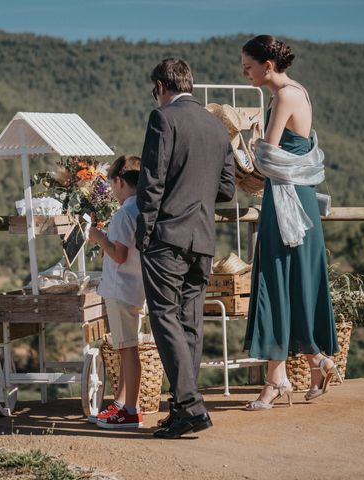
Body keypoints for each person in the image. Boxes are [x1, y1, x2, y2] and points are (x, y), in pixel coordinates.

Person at [240, 35, 342, 410]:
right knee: (291, 281)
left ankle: (276, 381)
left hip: (287, 201)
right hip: (292, 197)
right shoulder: (294, 92)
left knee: (275, 280)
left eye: (248, 67)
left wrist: (247, 149)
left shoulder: (284, 96)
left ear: (268, 65)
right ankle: (316, 362)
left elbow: (267, 157)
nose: (244, 73)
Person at [136, 58, 236, 438]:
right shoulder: (216, 125)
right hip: (203, 240)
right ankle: (183, 409)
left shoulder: (163, 119)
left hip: (167, 237)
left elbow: (152, 182)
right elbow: (226, 189)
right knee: (190, 322)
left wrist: (144, 236)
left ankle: (190, 406)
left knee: (163, 317)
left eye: (154, 90)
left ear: (161, 86)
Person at [88, 155, 145, 429]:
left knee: (128, 349)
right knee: (126, 348)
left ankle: (130, 409)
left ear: (120, 182)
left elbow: (119, 255)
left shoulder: (124, 214)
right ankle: (122, 404)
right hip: (133, 287)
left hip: (121, 289)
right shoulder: (140, 210)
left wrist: (99, 238)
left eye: (112, 185)